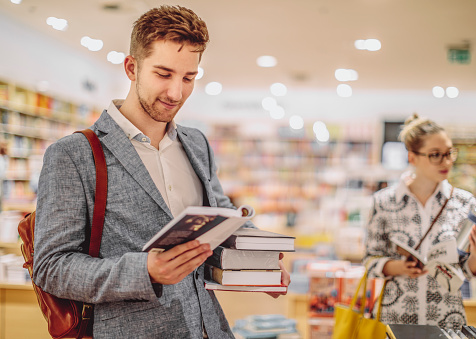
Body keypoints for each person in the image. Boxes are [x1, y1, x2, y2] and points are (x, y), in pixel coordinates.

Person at [33, 5, 290, 339]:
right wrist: (145, 270)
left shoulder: (196, 144)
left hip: (208, 328)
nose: (176, 93)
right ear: (132, 67)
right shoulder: (73, 155)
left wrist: (260, 262)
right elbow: (51, 267)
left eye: (188, 78)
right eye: (163, 74)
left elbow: (220, 214)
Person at [364, 113, 476, 331]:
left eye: (449, 153)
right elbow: (369, 261)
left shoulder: (464, 202)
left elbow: (467, 272)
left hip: (447, 319)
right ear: (412, 157)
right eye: (435, 155)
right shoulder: (383, 202)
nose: (446, 161)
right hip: (397, 317)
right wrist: (398, 267)